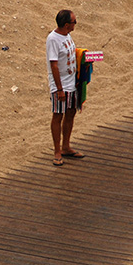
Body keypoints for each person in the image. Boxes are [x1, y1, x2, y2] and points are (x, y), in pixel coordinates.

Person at [47, 9, 85, 166]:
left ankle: (66, 146)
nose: (76, 24)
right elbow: (53, 65)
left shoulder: (67, 35)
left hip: (71, 82)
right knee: (58, 115)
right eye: (74, 21)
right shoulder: (53, 39)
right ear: (67, 24)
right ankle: (57, 151)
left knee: (70, 113)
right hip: (60, 85)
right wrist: (59, 89)